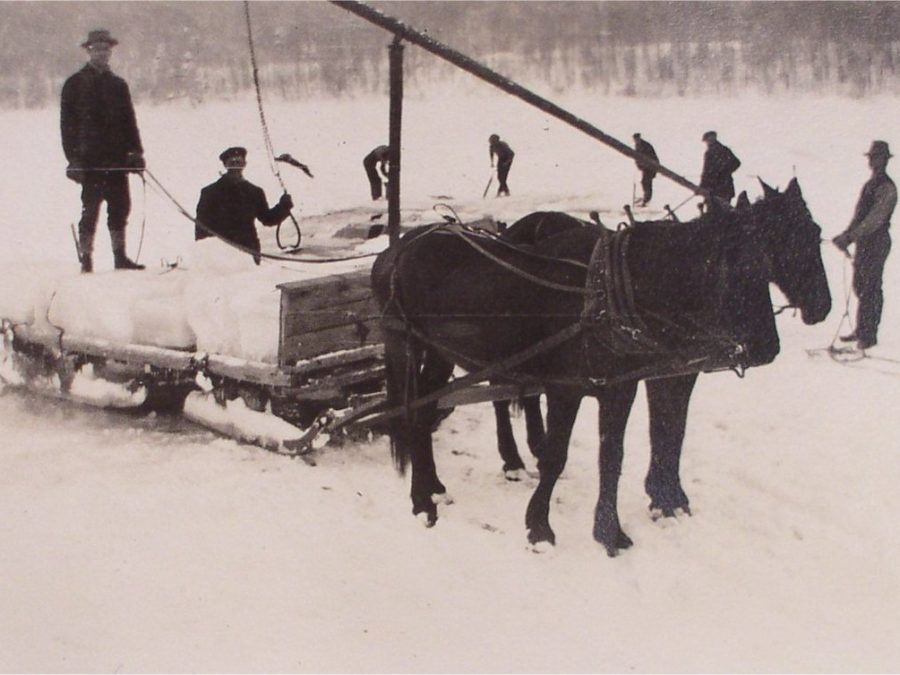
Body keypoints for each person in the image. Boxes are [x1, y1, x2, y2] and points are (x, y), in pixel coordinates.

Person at [61, 29, 146, 273]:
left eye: (106, 49)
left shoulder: (118, 85)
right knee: (90, 212)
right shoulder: (74, 84)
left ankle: (120, 258)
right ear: (89, 51)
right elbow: (67, 126)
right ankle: (86, 261)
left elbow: (129, 122)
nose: (102, 53)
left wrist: (135, 152)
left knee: (120, 208)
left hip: (117, 160)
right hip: (90, 163)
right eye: (97, 49)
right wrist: (73, 159)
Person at [833, 140, 897, 350]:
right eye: (872, 158)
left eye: (877, 157)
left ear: (885, 160)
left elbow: (875, 219)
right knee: (860, 284)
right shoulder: (870, 185)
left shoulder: (887, 187)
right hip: (864, 242)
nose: (873, 161)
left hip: (877, 242)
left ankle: (869, 335)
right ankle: (862, 329)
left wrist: (850, 237)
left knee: (871, 287)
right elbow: (859, 216)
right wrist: (846, 234)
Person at [195, 147, 294, 265]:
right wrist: (204, 256)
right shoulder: (210, 192)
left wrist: (283, 207)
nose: (236, 166)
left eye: (239, 162)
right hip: (221, 255)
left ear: (244, 164)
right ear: (225, 165)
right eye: (232, 163)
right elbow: (201, 227)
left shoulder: (254, 192)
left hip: (249, 252)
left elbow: (268, 219)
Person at [699, 131, 741, 204]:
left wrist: (723, 172)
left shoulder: (711, 152)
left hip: (716, 188)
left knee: (716, 211)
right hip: (723, 187)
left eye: (708, 140)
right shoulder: (724, 150)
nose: (707, 142)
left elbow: (706, 170)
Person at [632, 132, 659, 206]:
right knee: (644, 182)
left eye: (636, 139)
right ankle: (646, 198)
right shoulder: (637, 145)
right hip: (645, 167)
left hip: (650, 167)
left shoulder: (646, 145)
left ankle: (646, 200)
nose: (635, 141)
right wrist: (639, 165)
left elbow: (651, 156)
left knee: (646, 182)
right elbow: (637, 157)